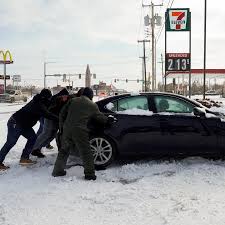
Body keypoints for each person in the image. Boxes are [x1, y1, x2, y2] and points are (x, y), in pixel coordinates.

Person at [52, 87, 114, 180]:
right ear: (91, 95)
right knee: (86, 152)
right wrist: (108, 119)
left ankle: (57, 171)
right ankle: (89, 174)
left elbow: (62, 113)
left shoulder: (73, 100)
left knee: (64, 151)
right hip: (80, 131)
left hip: (67, 129)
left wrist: (62, 127)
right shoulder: (92, 105)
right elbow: (100, 118)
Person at [0, 89, 58, 171]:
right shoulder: (38, 104)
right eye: (49, 98)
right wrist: (59, 119)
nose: (49, 99)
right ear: (45, 97)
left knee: (33, 138)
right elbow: (47, 114)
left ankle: (24, 158)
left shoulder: (40, 101)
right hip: (15, 123)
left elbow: (49, 104)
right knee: (10, 143)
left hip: (24, 125)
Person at [31, 88, 70, 158]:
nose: (66, 98)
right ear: (61, 95)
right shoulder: (55, 99)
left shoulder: (65, 100)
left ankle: (38, 149)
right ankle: (33, 148)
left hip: (56, 119)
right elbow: (48, 111)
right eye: (65, 96)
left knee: (52, 135)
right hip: (49, 117)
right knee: (46, 133)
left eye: (67, 96)